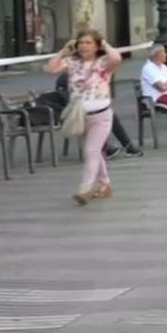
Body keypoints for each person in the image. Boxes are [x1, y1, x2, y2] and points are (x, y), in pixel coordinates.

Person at [45, 29, 123, 205]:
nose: (83, 46)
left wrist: (104, 44)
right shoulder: (72, 63)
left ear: (96, 46)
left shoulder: (103, 62)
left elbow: (117, 58)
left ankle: (85, 187)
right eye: (80, 42)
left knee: (91, 151)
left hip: (101, 115)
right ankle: (105, 184)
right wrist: (63, 52)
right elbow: (50, 68)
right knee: (95, 151)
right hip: (80, 116)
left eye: (88, 43)